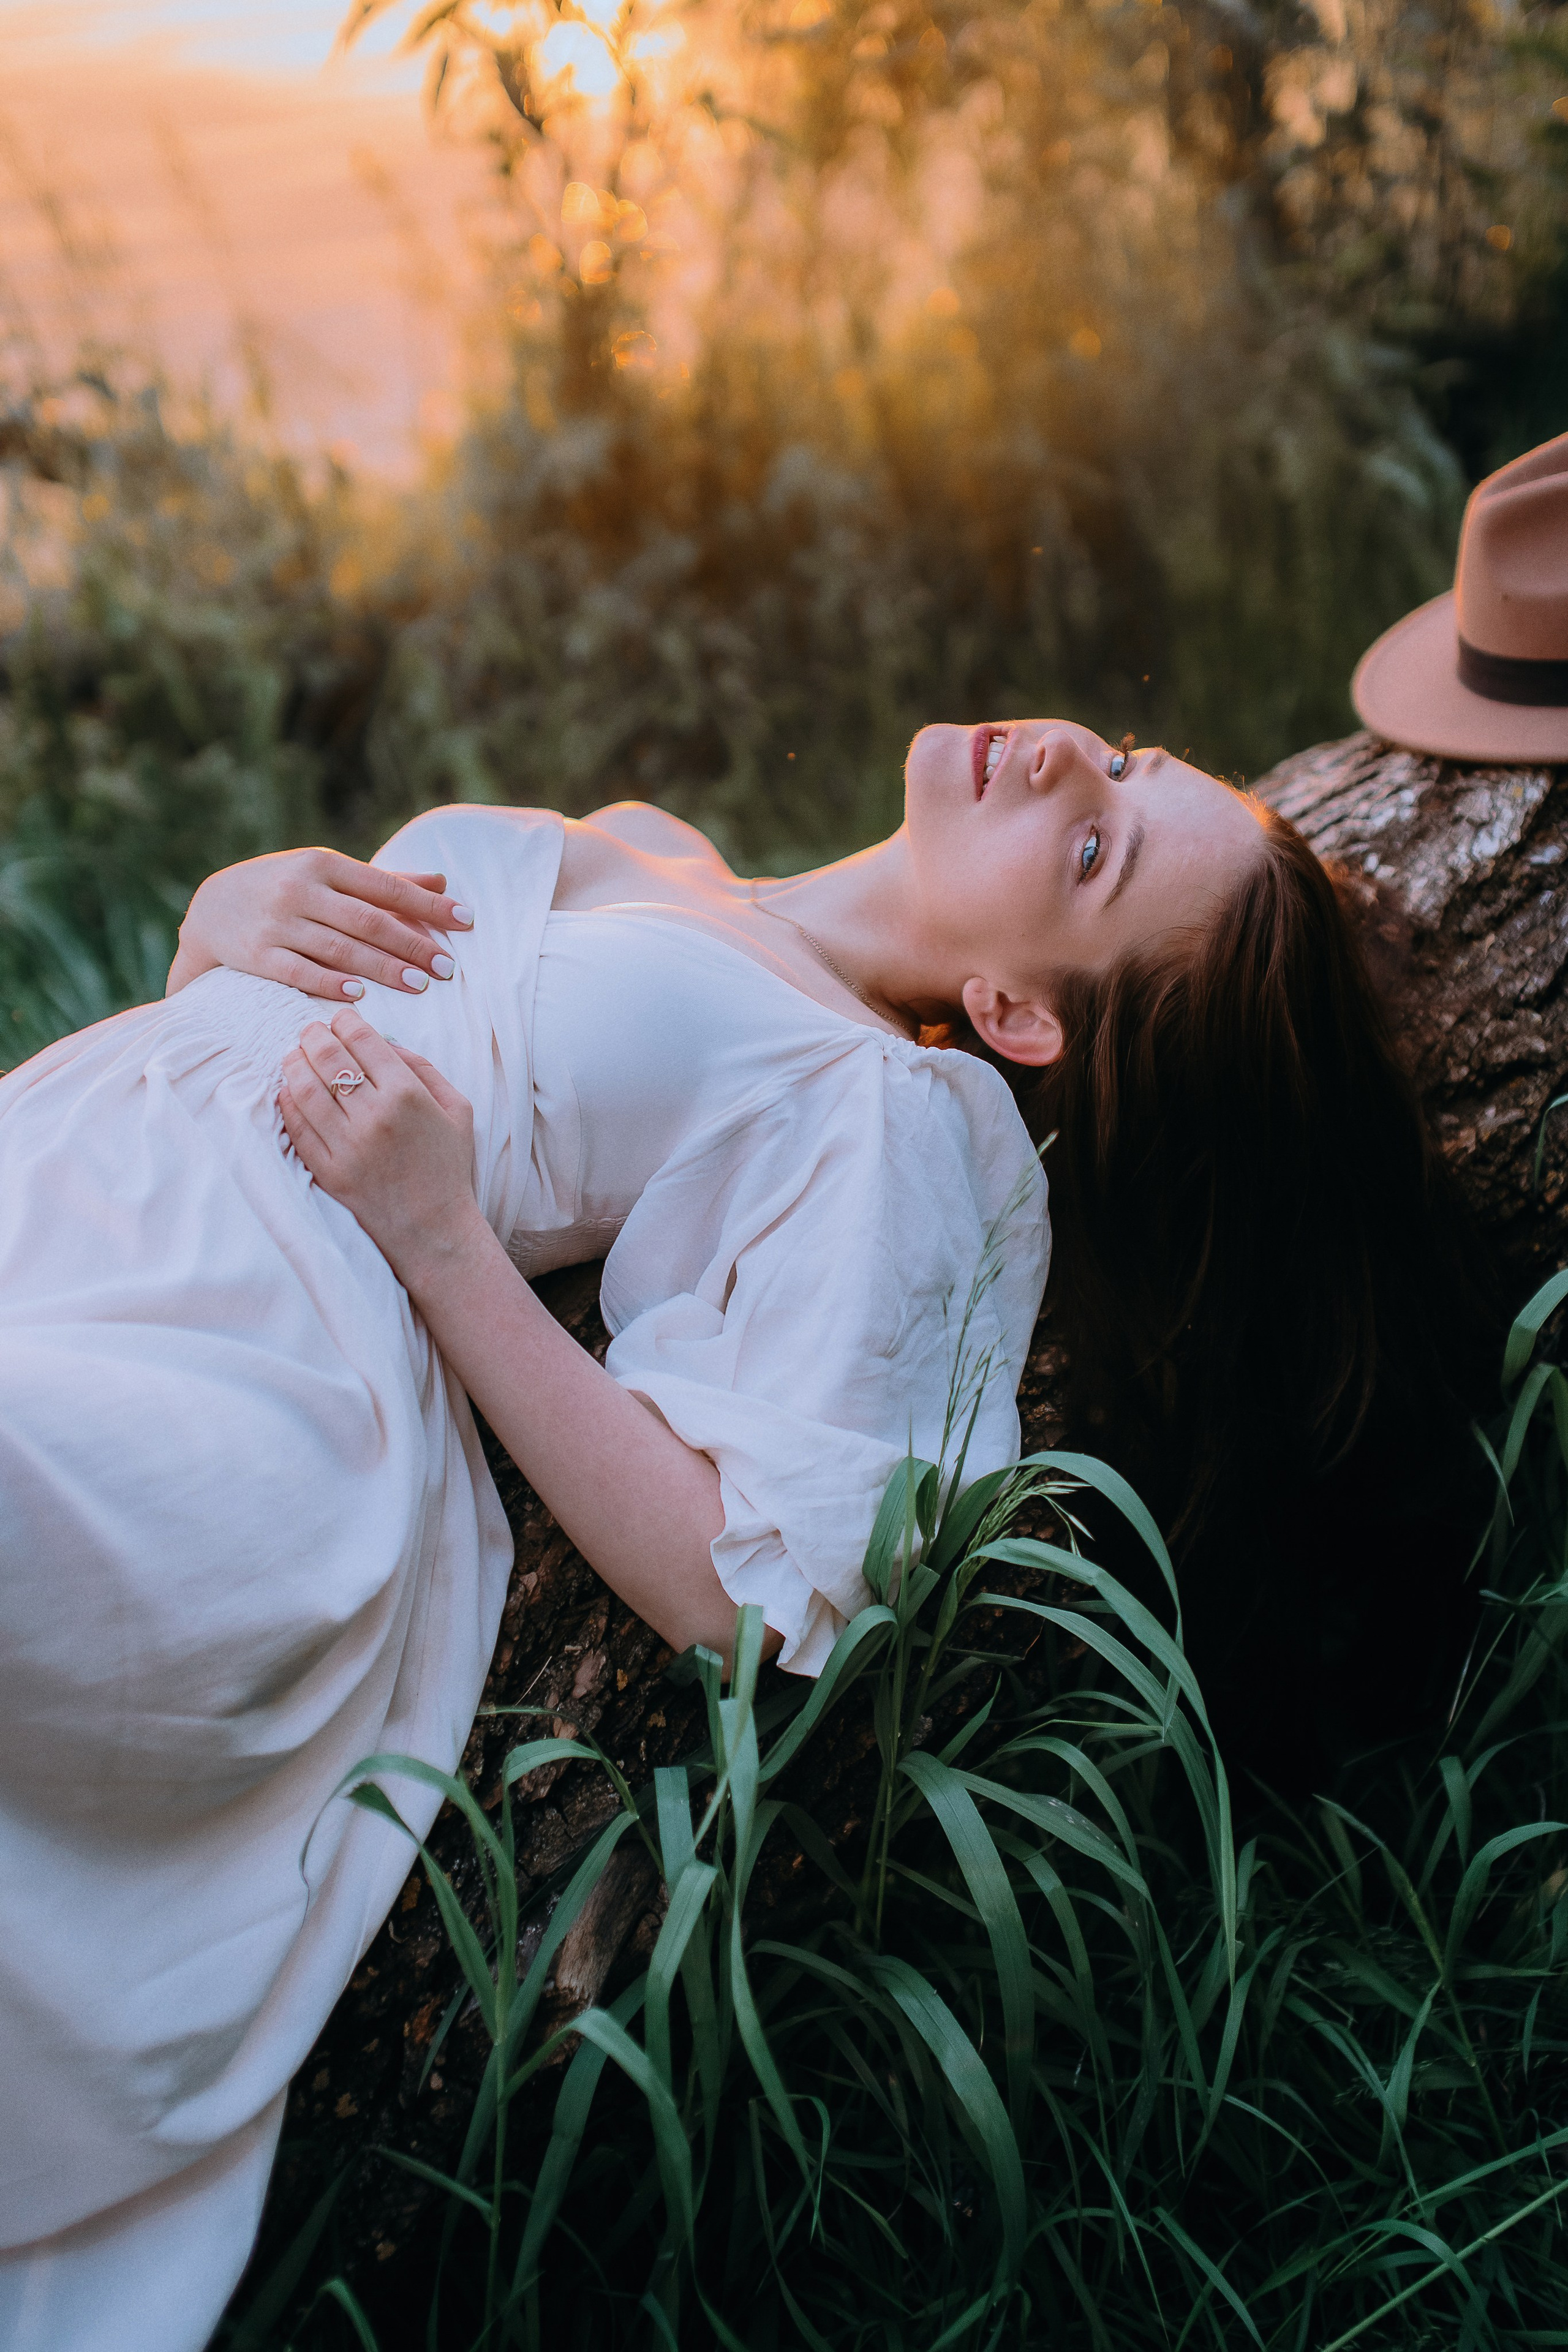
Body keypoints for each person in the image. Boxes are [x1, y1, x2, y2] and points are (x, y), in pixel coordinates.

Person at [0, 696, 1464, 2351]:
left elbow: (742, 1586)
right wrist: (228, 925)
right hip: (72, 1180)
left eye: (1092, 850)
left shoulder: (891, 1111)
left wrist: (441, 1243)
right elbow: (319, 993)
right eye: (1126, 764)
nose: (1067, 757)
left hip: (246, 1342)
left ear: (1013, 1014)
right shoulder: (681, 861)